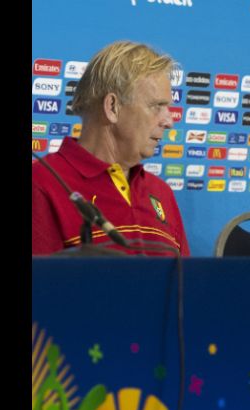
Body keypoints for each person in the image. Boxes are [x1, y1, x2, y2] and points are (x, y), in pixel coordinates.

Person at [32, 41, 190, 256]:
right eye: (156, 106)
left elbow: (185, 285)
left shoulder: (161, 192)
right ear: (112, 107)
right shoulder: (42, 184)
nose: (169, 121)